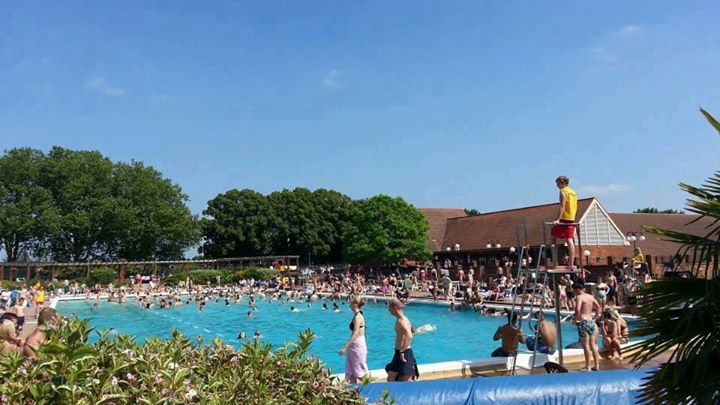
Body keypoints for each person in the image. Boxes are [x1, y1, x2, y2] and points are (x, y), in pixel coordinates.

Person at [385, 299, 418, 381]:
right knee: (391, 378)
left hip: (404, 352)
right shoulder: (403, 319)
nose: (388, 310)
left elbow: (409, 336)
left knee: (406, 379)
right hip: (398, 352)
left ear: (395, 308)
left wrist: (402, 351)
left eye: (390, 308)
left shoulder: (401, 321)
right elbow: (409, 332)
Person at [551, 175, 578, 272]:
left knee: (552, 236)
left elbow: (562, 205)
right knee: (569, 240)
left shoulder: (563, 191)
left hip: (564, 218)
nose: (556, 185)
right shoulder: (573, 192)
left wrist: (558, 219)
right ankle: (571, 263)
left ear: (562, 182)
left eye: (557, 183)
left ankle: (555, 262)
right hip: (571, 218)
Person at [338, 296, 368, 383]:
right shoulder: (357, 315)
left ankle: (372, 389)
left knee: (359, 373)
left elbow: (355, 334)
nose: (349, 305)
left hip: (357, 345)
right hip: (355, 345)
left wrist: (345, 347)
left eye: (350, 303)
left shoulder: (358, 317)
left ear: (355, 305)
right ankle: (354, 392)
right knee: (350, 371)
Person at [573, 282, 601, 371]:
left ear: (577, 289)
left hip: (583, 322)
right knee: (593, 345)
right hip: (591, 322)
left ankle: (587, 366)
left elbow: (577, 309)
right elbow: (598, 307)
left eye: (574, 290)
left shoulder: (579, 297)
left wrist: (576, 319)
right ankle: (596, 366)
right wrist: (595, 317)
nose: (574, 292)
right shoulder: (590, 296)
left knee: (586, 345)